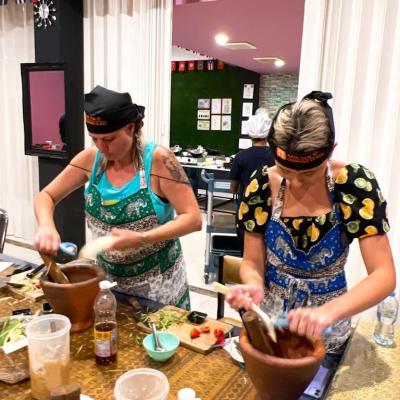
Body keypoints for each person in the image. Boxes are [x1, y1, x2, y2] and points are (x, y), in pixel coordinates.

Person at [226, 91, 396, 354]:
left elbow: (383, 276)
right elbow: (251, 261)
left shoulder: (353, 185)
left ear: (331, 152)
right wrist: (253, 283)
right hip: (271, 323)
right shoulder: (260, 185)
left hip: (328, 328)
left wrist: (328, 312)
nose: (294, 181)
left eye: (307, 173)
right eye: (284, 171)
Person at [34, 85, 202, 310]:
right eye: (94, 139)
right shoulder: (90, 160)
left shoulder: (159, 161)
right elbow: (46, 196)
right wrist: (46, 226)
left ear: (131, 128)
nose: (101, 147)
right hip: (109, 285)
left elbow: (193, 218)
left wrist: (143, 238)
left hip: (159, 290)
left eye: (109, 139)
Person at [229, 111, 275, 252]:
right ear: (268, 133)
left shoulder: (240, 156)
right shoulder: (276, 156)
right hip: (271, 210)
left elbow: (233, 188)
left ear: (249, 134)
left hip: (246, 210)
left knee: (247, 252)